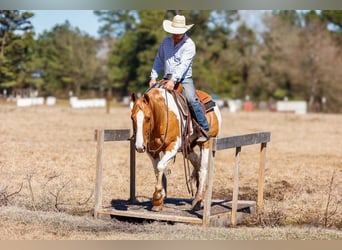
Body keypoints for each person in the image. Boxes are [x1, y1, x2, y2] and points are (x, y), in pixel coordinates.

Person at [149, 15, 209, 142]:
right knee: (149, 98)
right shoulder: (165, 42)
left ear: (184, 31)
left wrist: (173, 80)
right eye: (174, 32)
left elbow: (183, 65)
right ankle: (149, 130)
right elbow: (159, 59)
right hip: (166, 78)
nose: (176, 34)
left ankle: (204, 129)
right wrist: (153, 77)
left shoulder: (189, 45)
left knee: (192, 99)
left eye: (179, 32)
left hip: (183, 79)